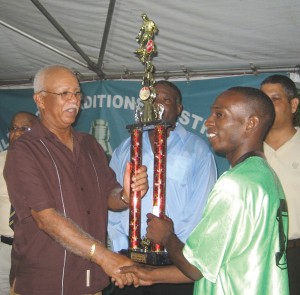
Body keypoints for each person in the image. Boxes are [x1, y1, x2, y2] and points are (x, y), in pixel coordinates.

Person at [120, 87, 289, 295]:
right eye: (211, 114)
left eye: (220, 114)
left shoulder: (235, 185)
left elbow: (195, 267)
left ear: (251, 123)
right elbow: (211, 264)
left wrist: (166, 237)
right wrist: (149, 274)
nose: (208, 122)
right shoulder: (264, 175)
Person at [3, 65, 148, 295]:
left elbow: (108, 195)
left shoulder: (90, 145)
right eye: (64, 94)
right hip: (43, 285)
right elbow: (45, 218)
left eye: (77, 93)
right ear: (40, 100)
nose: (74, 100)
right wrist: (104, 257)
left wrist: (126, 195)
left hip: (90, 282)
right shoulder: (24, 150)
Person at [108, 80, 217, 295]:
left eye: (166, 100)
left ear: (179, 108)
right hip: (129, 261)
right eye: (152, 99)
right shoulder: (125, 148)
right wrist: (123, 250)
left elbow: (200, 209)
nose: (157, 104)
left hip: (175, 265)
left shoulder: (198, 151)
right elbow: (112, 200)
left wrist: (174, 250)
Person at [260, 74, 300, 295]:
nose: (267, 105)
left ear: (293, 105)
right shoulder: (248, 151)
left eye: (275, 99)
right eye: (263, 99)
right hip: (259, 255)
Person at [0, 112, 37, 294]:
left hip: (34, 250)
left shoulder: (46, 165)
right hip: (2, 249)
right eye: (13, 128)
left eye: (25, 129)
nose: (17, 133)